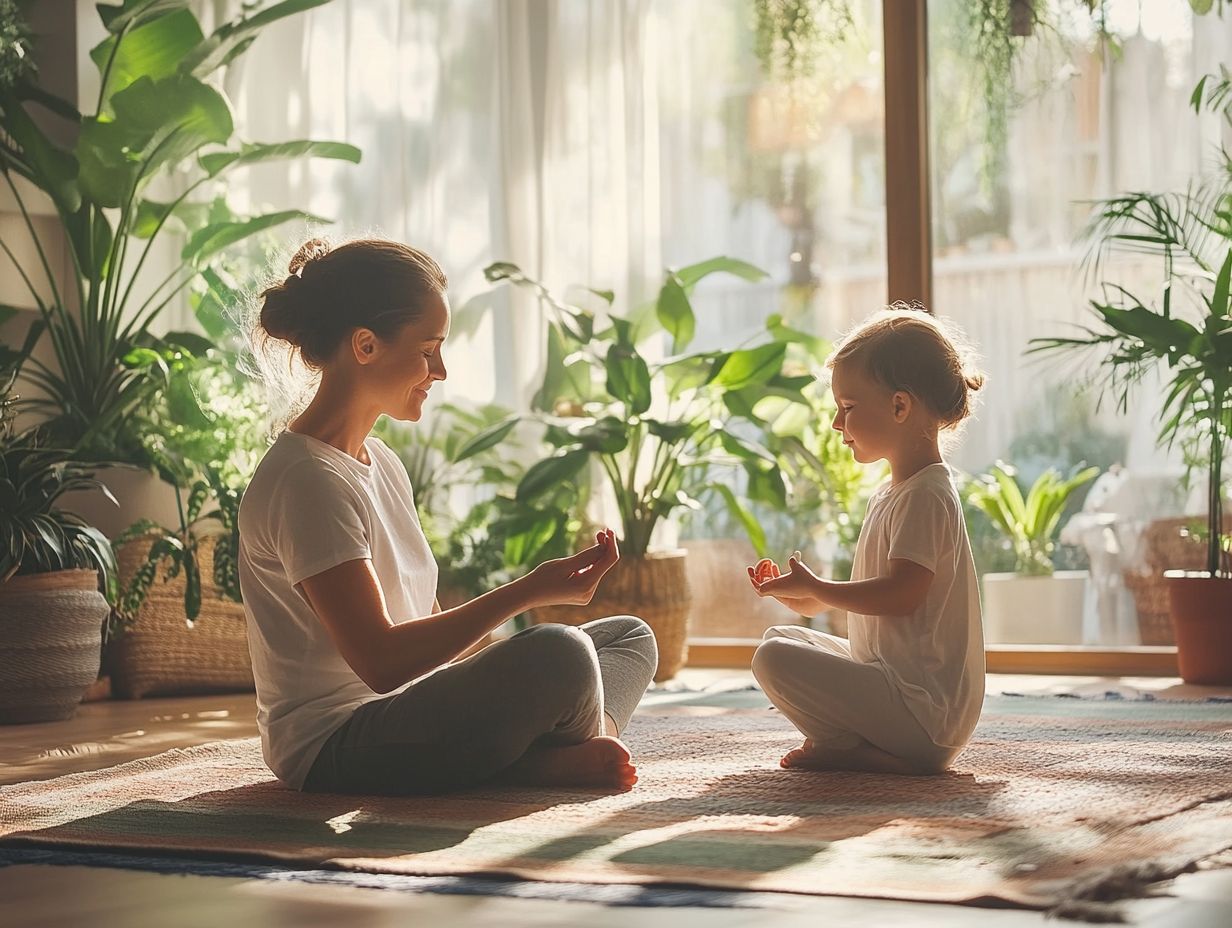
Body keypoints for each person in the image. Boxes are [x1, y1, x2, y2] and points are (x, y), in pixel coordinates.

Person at [238, 237, 658, 796]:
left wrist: (511, 673)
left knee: (626, 637)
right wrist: (526, 593)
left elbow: (429, 628)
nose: (441, 370)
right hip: (339, 744)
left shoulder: (378, 462)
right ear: (365, 345)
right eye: (429, 348)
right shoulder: (307, 481)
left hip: (411, 711)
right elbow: (382, 664)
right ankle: (543, 761)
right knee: (562, 652)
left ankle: (553, 752)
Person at [748, 307, 986, 775]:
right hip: (901, 692)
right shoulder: (896, 492)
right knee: (781, 639)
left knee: (773, 659)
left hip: (924, 716)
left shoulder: (926, 495)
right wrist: (810, 598)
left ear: (900, 407)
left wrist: (822, 589)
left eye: (848, 408)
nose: (838, 424)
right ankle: (863, 747)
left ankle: (860, 753)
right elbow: (885, 600)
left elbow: (900, 597)